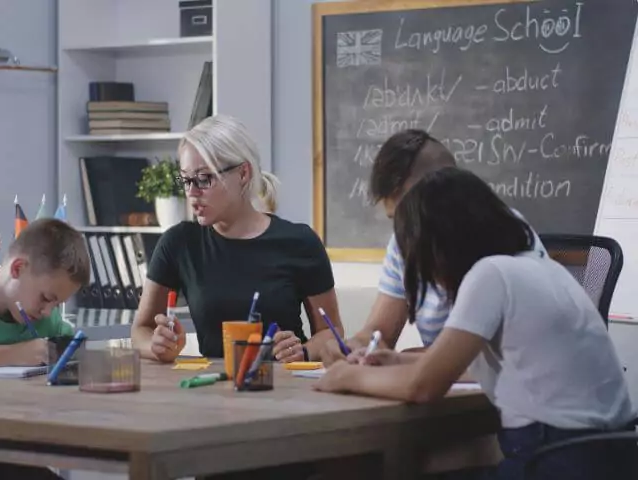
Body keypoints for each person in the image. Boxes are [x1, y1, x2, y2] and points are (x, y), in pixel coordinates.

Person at [315, 167, 637, 480]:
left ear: (440, 244)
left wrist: (347, 376)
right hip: (607, 456)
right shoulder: (539, 268)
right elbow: (487, 368)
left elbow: (423, 387)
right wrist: (397, 360)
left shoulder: (490, 276)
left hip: (556, 459)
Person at [320, 129, 546, 364]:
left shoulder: (500, 235)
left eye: (412, 218)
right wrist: (355, 347)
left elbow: (495, 356)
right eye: (396, 220)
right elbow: (379, 333)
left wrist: (407, 360)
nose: (405, 233)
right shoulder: (402, 241)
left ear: (445, 190)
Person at [131, 114, 343, 365]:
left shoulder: (300, 242)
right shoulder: (179, 243)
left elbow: (332, 332)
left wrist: (303, 352)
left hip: (284, 387)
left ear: (243, 173)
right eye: (186, 180)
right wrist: (157, 345)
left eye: (203, 179)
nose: (191, 193)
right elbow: (140, 330)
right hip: (211, 389)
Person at [0, 217, 91, 479]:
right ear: (18, 268)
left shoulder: (48, 322)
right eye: (46, 298)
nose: (47, 311)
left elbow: (74, 356)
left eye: (57, 304)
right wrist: (14, 354)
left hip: (14, 449)